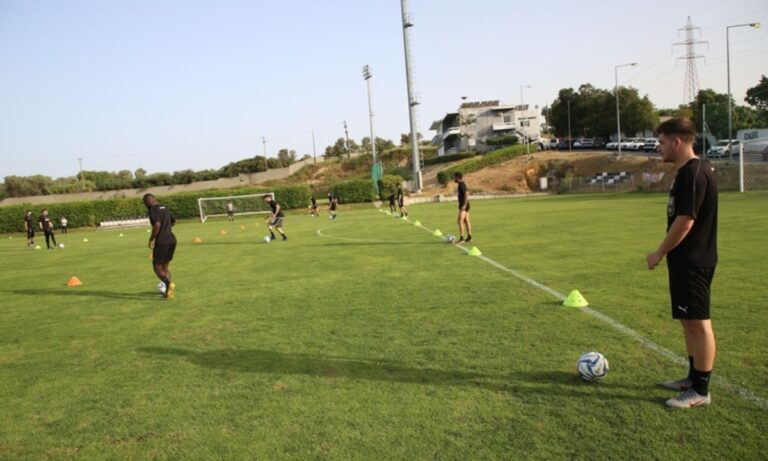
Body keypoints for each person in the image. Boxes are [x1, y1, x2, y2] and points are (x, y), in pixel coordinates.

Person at [646, 117, 718, 409]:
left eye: (662, 141)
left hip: (694, 260)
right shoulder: (687, 172)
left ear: (677, 141)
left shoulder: (694, 173)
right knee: (688, 321)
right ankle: (692, 377)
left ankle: (701, 390)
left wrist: (659, 252)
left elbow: (686, 221)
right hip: (685, 260)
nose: (659, 147)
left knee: (698, 323)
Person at [144, 193, 177, 299]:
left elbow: (157, 224)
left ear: (147, 202)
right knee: (165, 267)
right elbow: (173, 221)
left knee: (157, 268)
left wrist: (151, 239)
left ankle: (168, 283)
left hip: (162, 242)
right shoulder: (165, 207)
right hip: (172, 240)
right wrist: (166, 226)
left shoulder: (152, 210)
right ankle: (168, 292)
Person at [454, 172, 472, 243]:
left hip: (464, 206)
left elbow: (466, 193)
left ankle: (462, 238)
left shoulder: (461, 184)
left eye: (454, 177)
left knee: (460, 221)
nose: (454, 179)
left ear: (457, 177)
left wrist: (464, 205)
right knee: (466, 221)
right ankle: (469, 237)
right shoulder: (461, 184)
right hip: (466, 205)